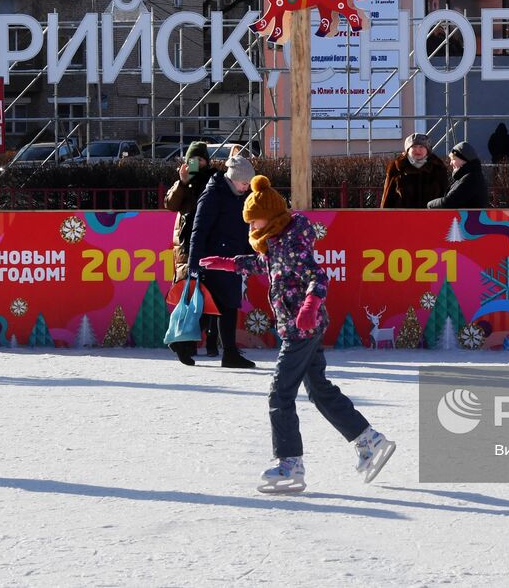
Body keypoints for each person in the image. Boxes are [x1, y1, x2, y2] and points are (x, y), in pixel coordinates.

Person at [199, 175, 395, 494]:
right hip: (304, 327)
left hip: (301, 328)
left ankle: (289, 463)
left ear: (270, 216)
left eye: (254, 220)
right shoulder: (276, 242)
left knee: (280, 393)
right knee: (319, 390)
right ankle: (369, 440)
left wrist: (309, 306)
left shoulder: (290, 243)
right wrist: (228, 264)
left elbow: (318, 277)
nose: (251, 227)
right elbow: (264, 265)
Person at [187, 150, 257, 368]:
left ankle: (225, 352)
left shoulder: (237, 195)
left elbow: (241, 229)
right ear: (234, 178)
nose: (247, 187)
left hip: (231, 258)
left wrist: (251, 253)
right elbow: (199, 229)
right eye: (244, 183)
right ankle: (188, 344)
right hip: (214, 259)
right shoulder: (214, 194)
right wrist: (194, 262)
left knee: (224, 306)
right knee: (220, 306)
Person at [162, 142, 216, 365]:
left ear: (207, 161)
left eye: (200, 159)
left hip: (209, 245)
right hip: (187, 249)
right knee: (191, 300)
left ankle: (190, 343)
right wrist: (182, 182)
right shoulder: (184, 183)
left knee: (210, 301)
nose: (197, 164)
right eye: (192, 160)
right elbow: (170, 204)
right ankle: (184, 344)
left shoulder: (214, 179)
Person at [381, 133, 448, 208]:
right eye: (414, 146)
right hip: (403, 215)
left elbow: (444, 197)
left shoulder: (438, 167)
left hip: (431, 214)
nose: (417, 150)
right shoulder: (397, 167)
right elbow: (387, 197)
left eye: (421, 147)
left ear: (427, 149)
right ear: (408, 149)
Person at [427, 141, 489, 209]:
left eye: (453, 159)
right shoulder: (469, 176)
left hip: (470, 216)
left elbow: (448, 202)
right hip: (467, 216)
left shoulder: (471, 178)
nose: (450, 163)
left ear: (464, 160)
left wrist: (429, 204)